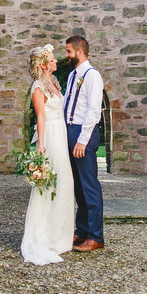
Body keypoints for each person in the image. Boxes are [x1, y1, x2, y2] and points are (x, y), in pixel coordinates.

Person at [20, 44, 75, 265]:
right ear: (43, 64)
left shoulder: (53, 83)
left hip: (60, 131)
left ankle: (61, 236)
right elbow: (40, 117)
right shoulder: (37, 87)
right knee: (50, 185)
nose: (55, 62)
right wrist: (40, 146)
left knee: (64, 182)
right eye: (52, 60)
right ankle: (44, 236)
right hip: (51, 135)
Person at [64, 35, 105, 252]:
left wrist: (82, 140)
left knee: (89, 186)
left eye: (69, 51)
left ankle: (96, 236)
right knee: (78, 187)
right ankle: (81, 231)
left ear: (80, 52)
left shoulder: (92, 76)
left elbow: (93, 111)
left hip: (83, 133)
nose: (66, 55)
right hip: (70, 131)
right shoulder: (72, 75)